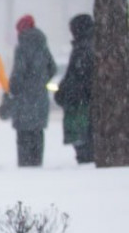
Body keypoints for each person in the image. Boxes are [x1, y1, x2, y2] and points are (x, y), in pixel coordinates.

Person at [8, 14, 57, 167]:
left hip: (24, 99)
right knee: (37, 133)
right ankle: (37, 163)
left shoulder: (22, 47)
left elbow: (18, 73)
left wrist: (15, 89)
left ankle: (25, 166)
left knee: (23, 135)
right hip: (40, 97)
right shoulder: (43, 45)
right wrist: (40, 82)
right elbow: (53, 68)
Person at [54, 13, 95, 164]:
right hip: (86, 103)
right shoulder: (92, 44)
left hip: (80, 105)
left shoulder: (82, 49)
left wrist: (62, 92)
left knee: (84, 144)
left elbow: (75, 78)